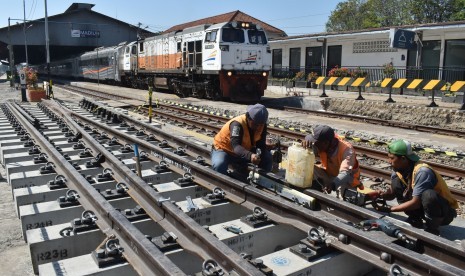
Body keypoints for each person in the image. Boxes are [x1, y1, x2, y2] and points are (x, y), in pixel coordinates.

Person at [371, 139, 458, 235]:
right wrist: (381, 195)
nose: (389, 161)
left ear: (403, 158)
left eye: (392, 158)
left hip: (444, 213)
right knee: (396, 182)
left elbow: (416, 203)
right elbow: (393, 192)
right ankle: (415, 219)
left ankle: (433, 228)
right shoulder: (399, 170)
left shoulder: (422, 172)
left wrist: (390, 209)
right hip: (423, 206)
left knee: (428, 195)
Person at [211, 103, 272, 175]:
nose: (258, 127)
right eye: (256, 124)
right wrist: (250, 155)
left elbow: (260, 144)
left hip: (243, 150)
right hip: (224, 150)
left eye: (261, 125)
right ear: (249, 118)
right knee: (219, 165)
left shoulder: (262, 125)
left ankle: (260, 180)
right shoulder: (237, 125)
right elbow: (236, 147)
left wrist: (260, 155)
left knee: (267, 157)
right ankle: (221, 184)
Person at [302, 125, 363, 193]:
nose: (314, 145)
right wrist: (305, 149)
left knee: (341, 197)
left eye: (315, 143)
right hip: (329, 174)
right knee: (308, 168)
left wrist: (333, 185)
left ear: (325, 143)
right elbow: (306, 157)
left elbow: (345, 174)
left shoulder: (347, 150)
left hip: (347, 180)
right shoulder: (323, 145)